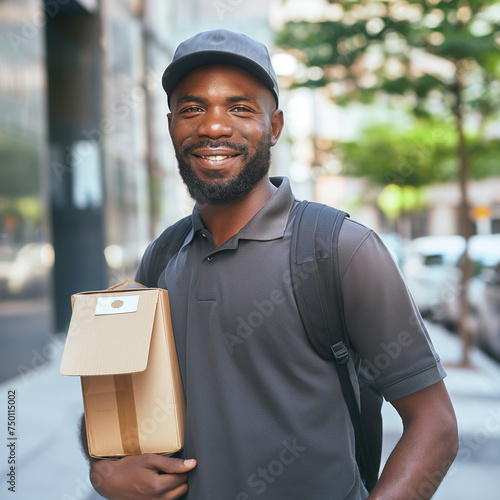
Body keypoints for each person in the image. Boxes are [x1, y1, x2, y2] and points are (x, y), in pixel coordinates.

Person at [84, 29, 458, 499]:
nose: (214, 126)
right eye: (192, 108)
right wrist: (105, 468)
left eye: (240, 108)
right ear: (171, 125)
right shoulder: (161, 258)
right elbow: (115, 407)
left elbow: (435, 425)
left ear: (275, 127)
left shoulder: (340, 249)